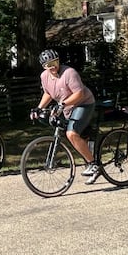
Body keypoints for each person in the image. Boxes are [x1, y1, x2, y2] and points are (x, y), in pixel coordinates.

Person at [32, 49, 99, 184]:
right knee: (77, 134)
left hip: (83, 104)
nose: (52, 66)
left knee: (71, 133)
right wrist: (39, 108)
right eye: (48, 64)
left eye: (54, 62)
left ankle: (93, 164)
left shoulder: (69, 73)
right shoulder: (44, 77)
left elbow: (79, 94)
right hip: (67, 107)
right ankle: (90, 155)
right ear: (44, 66)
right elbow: (48, 93)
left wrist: (62, 104)